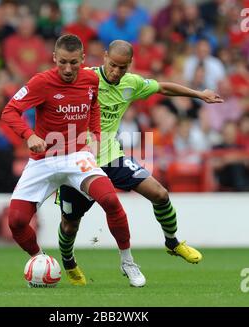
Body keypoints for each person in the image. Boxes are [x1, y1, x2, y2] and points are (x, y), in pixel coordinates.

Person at [56, 40, 224, 287]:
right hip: (79, 161)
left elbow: (163, 88)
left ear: (129, 66)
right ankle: (69, 262)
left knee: (160, 194)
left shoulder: (131, 83)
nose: (115, 72)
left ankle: (172, 242)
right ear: (104, 57)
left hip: (111, 157)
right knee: (70, 225)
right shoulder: (84, 77)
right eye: (112, 65)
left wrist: (199, 94)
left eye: (122, 68)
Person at [1, 35, 145, 287]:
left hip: (77, 156)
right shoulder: (41, 82)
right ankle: (40, 261)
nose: (68, 69)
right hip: (43, 160)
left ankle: (128, 261)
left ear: (83, 60)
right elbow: (9, 111)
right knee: (16, 221)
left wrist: (97, 134)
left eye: (74, 63)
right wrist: (29, 134)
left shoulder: (91, 79)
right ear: (55, 58)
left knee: (110, 199)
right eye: (63, 62)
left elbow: (93, 106)